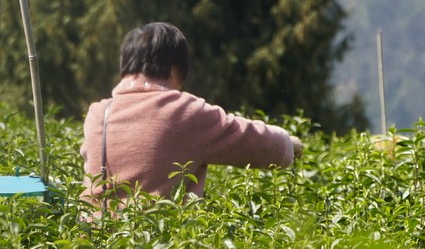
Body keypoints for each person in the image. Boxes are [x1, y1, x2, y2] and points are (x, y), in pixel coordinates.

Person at [79, 22, 303, 206]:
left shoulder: (98, 113)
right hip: (155, 244)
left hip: (94, 245)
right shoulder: (184, 110)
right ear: (176, 68)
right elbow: (252, 140)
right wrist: (287, 145)